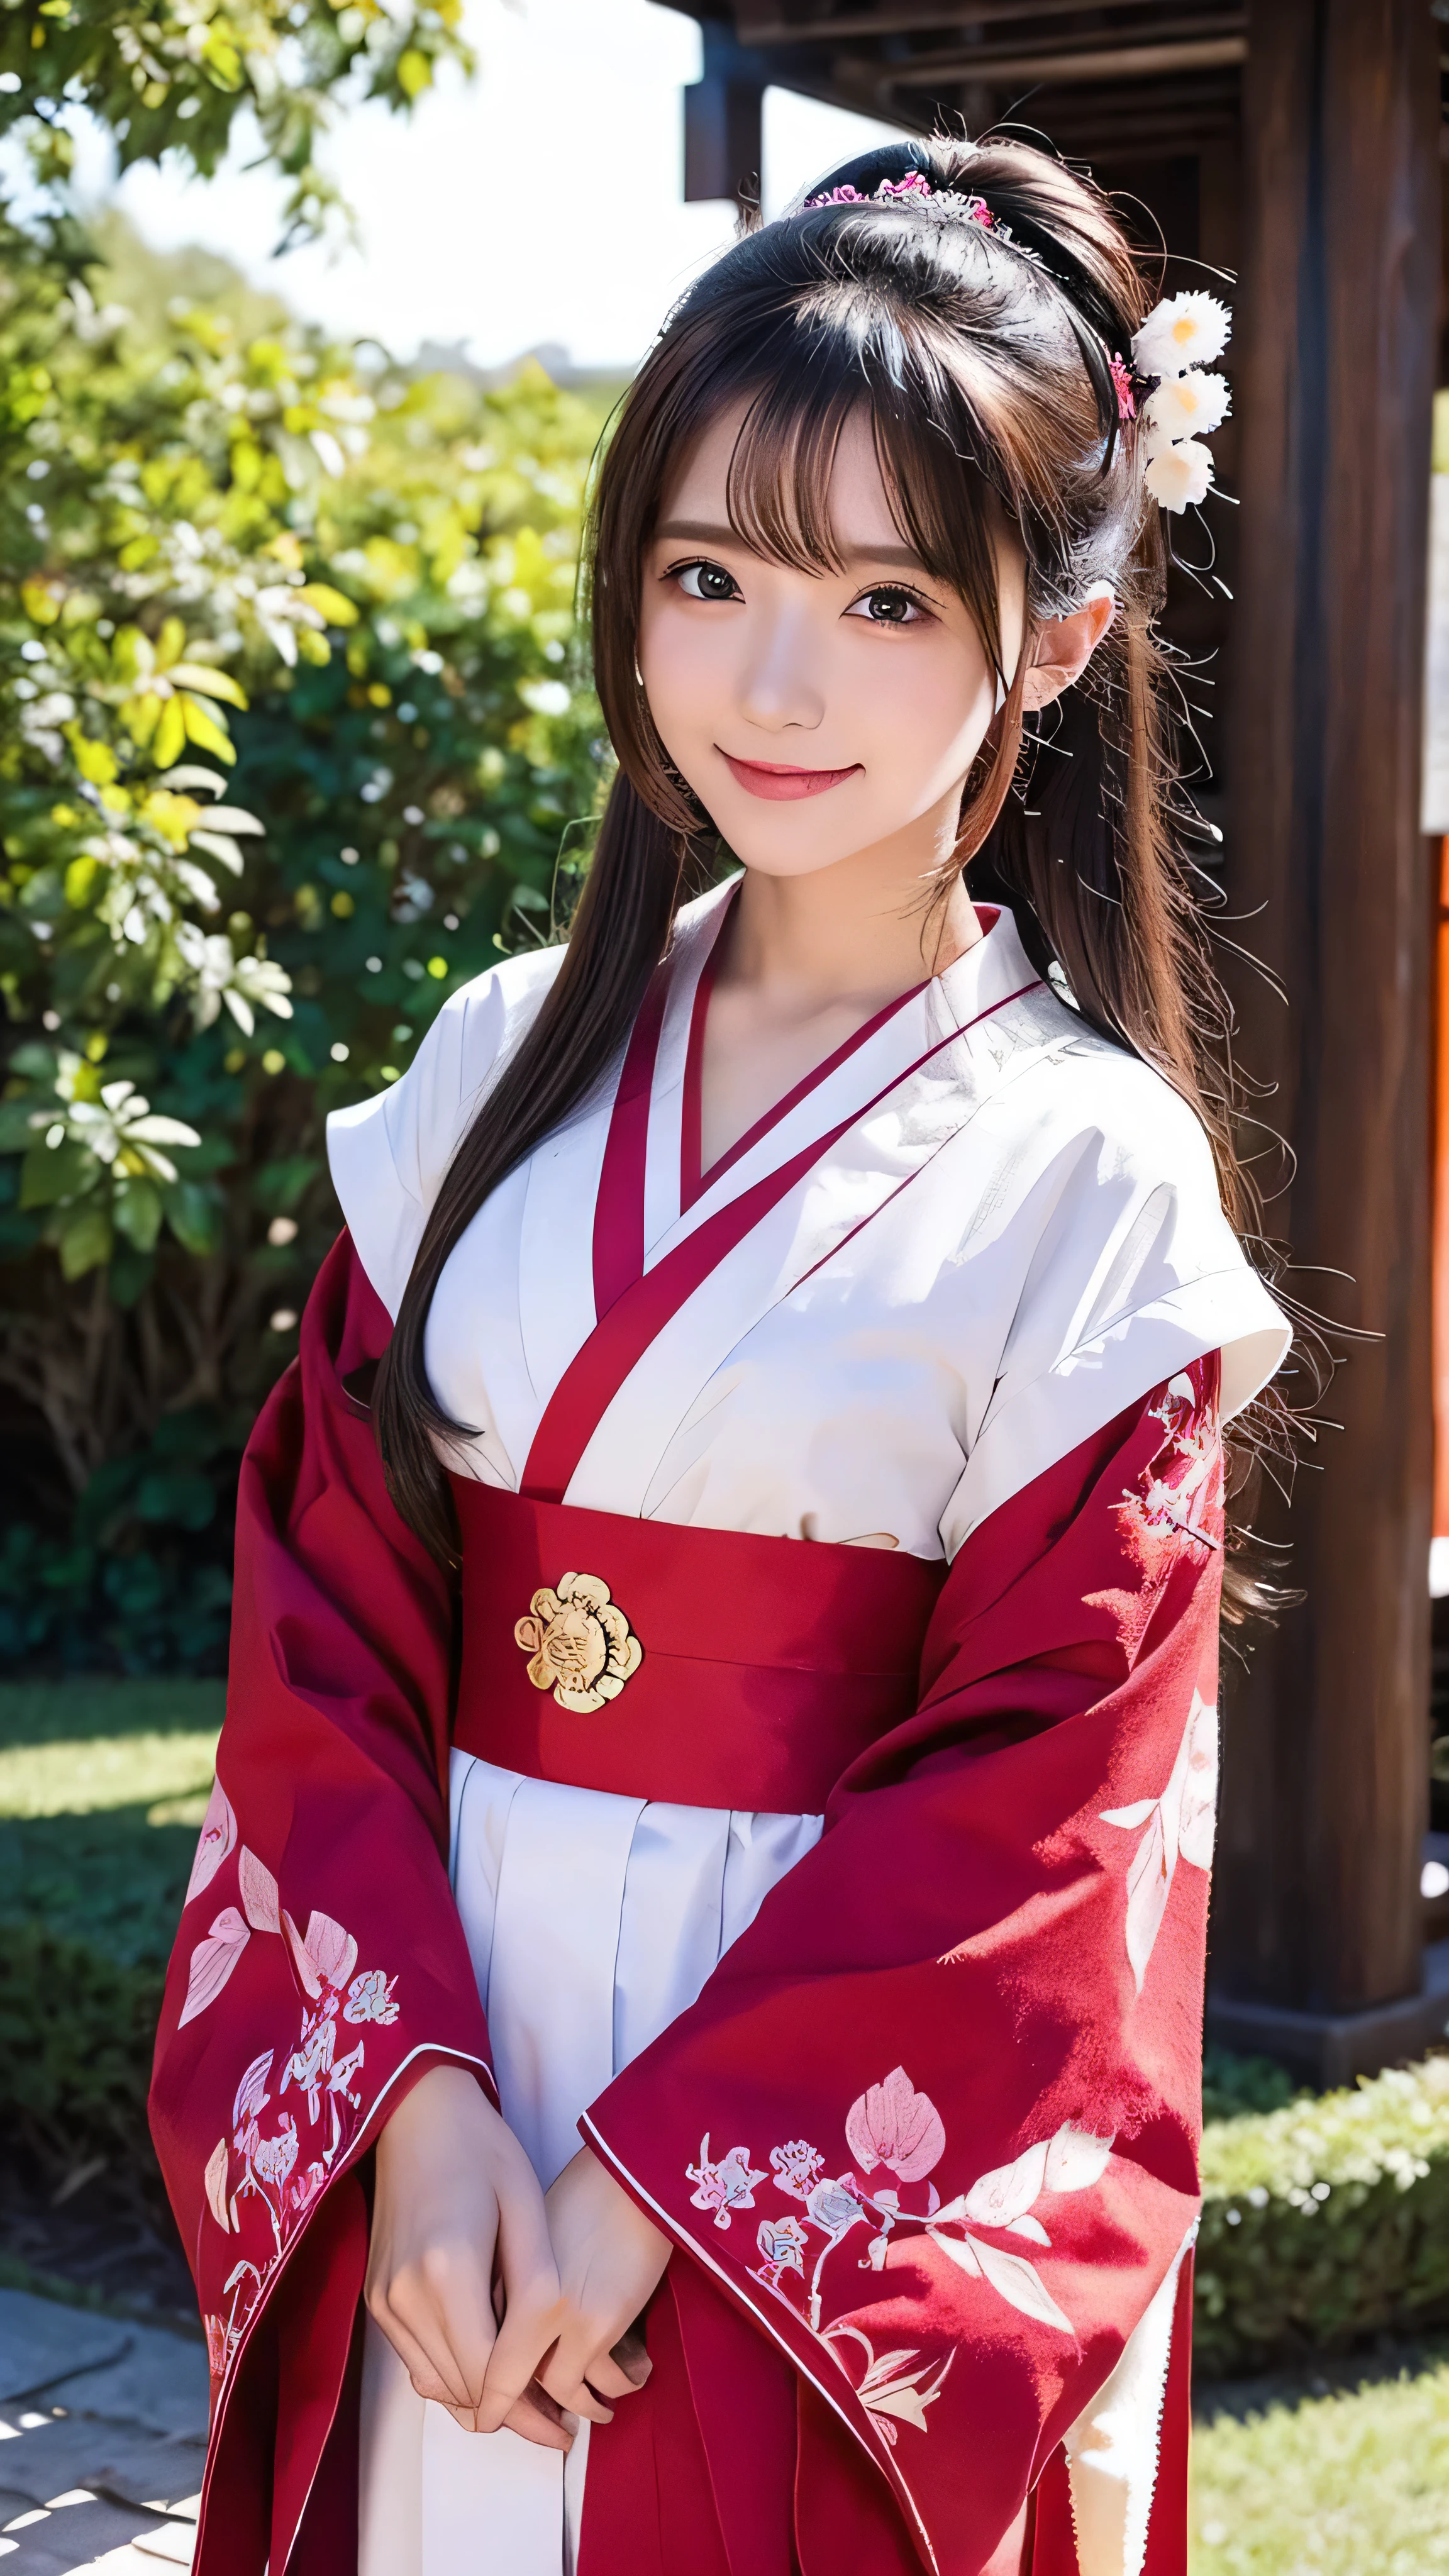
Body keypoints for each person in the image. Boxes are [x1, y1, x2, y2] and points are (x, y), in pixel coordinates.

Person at [150, 134, 1289, 2576]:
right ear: (629, 595)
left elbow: (1051, 1809)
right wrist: (419, 2106)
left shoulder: (1093, 1178)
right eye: (711, 575)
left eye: (888, 595)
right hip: (447, 2065)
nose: (776, 683)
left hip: (773, 2186)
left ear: (1054, 643)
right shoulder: (494, 1064)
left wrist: (664, 2193)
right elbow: (329, 1610)